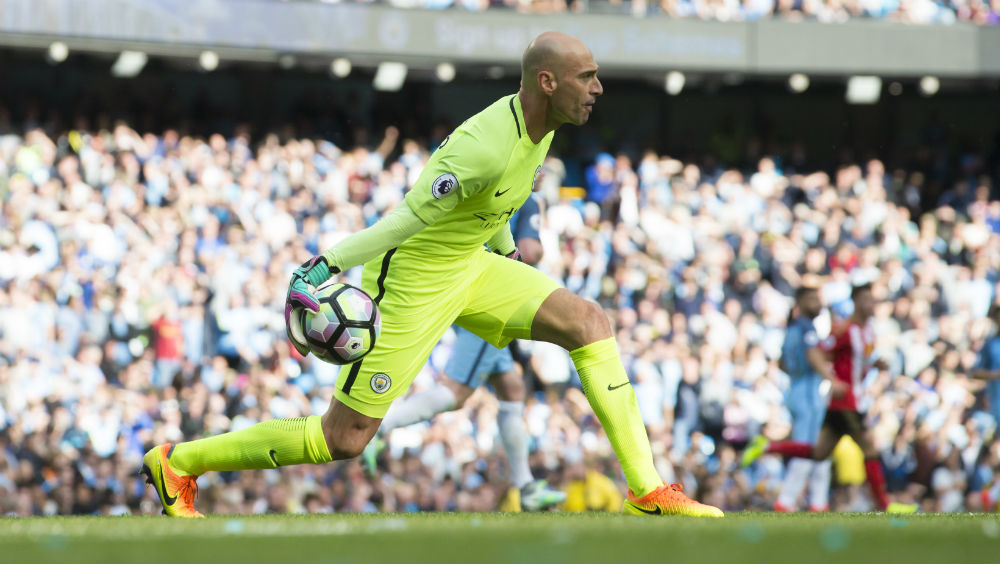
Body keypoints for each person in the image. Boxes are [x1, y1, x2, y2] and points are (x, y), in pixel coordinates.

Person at [141, 31, 723, 518]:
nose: (597, 89)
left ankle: (647, 489)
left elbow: (491, 204)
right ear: (548, 81)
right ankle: (179, 462)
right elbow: (404, 220)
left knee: (589, 322)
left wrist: (510, 251)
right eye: (587, 76)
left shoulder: (541, 127)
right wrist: (327, 264)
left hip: (471, 266)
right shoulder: (481, 145)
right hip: (412, 281)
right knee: (341, 439)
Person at [362, 190, 566, 511]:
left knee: (511, 385)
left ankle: (526, 487)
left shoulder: (484, 184)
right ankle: (377, 429)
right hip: (487, 296)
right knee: (457, 391)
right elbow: (529, 250)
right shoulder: (526, 196)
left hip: (460, 285)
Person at [741, 283, 914, 513]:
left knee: (819, 453)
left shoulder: (864, 330)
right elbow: (818, 352)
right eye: (867, 300)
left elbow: (840, 358)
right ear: (857, 302)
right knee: (869, 449)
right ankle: (883, 505)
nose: (872, 305)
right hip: (842, 401)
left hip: (836, 399)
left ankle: (769, 448)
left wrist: (873, 364)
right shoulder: (841, 330)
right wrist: (831, 378)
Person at [773, 286, 832, 512]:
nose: (818, 303)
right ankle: (786, 501)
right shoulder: (806, 327)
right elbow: (813, 355)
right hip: (809, 396)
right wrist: (829, 378)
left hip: (797, 391)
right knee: (807, 448)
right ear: (801, 302)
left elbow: (782, 363)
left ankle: (818, 501)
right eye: (813, 299)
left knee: (820, 449)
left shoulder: (792, 328)